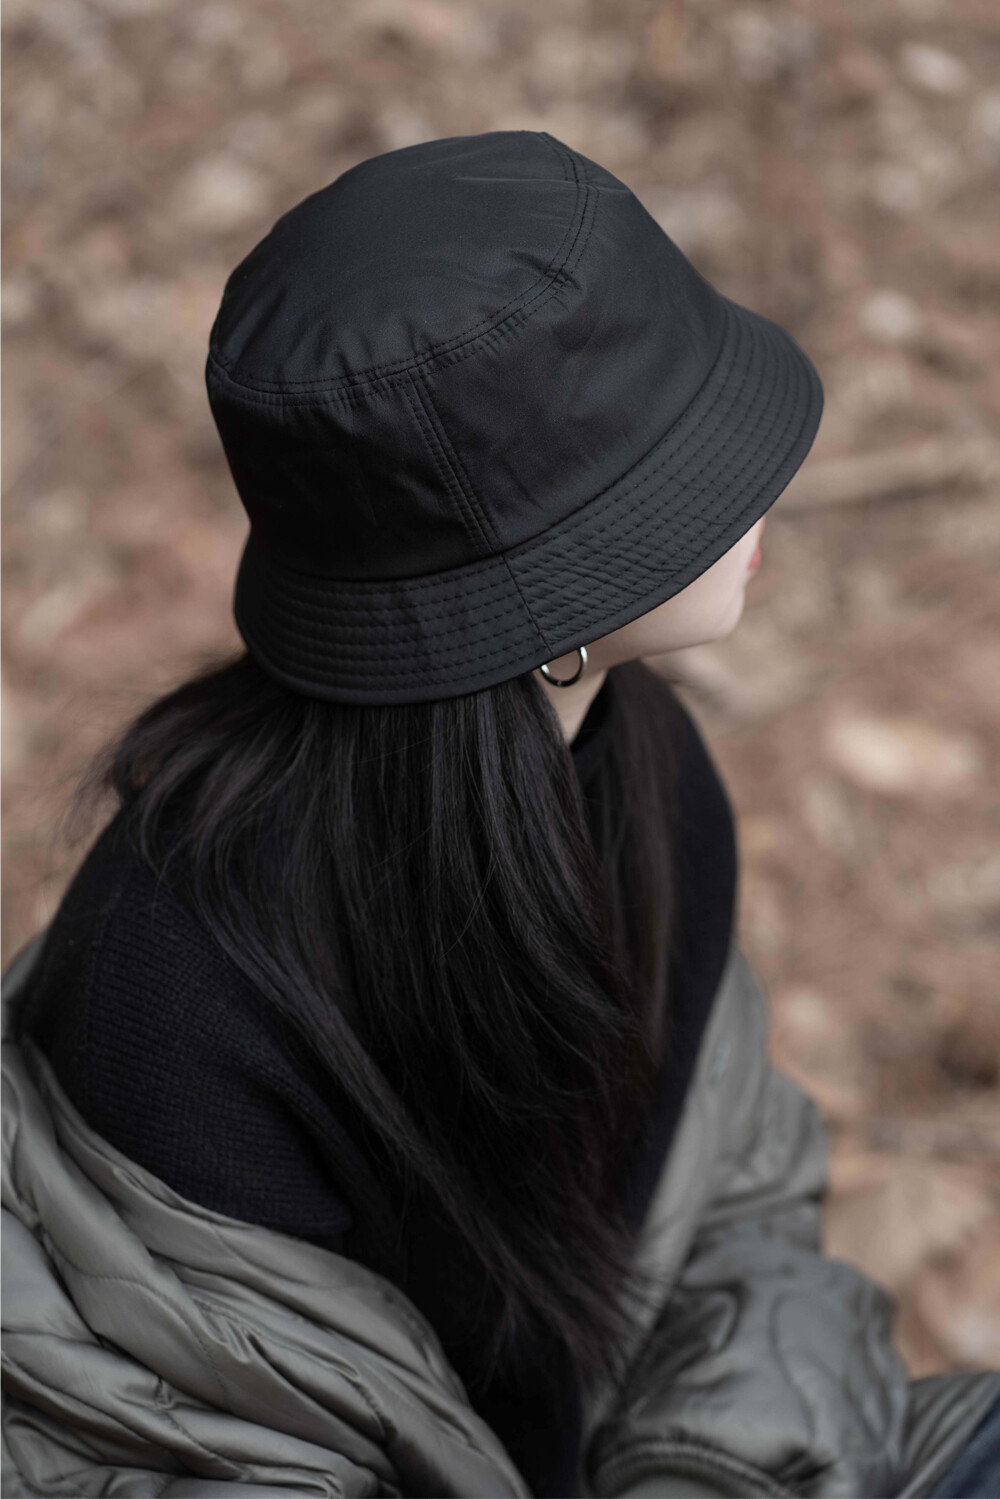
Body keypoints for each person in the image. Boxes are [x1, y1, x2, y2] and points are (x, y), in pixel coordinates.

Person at [3, 130, 998, 1499]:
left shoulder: (642, 770)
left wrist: (704, 1476)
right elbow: (198, 1452)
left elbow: (731, 1217)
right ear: (524, 608)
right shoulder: (182, 996)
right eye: (668, 470)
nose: (758, 487)